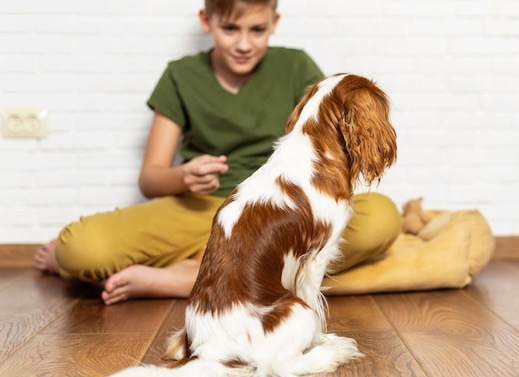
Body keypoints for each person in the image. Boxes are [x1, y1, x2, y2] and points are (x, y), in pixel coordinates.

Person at [33, 0, 401, 305]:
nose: (243, 44)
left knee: (381, 217)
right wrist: (183, 175)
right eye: (230, 29)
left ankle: (188, 278)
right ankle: (210, 267)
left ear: (275, 23)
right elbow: (150, 177)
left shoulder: (296, 66)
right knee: (78, 249)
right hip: (199, 208)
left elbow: (330, 149)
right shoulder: (181, 75)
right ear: (205, 20)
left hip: (278, 215)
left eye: (257, 30)